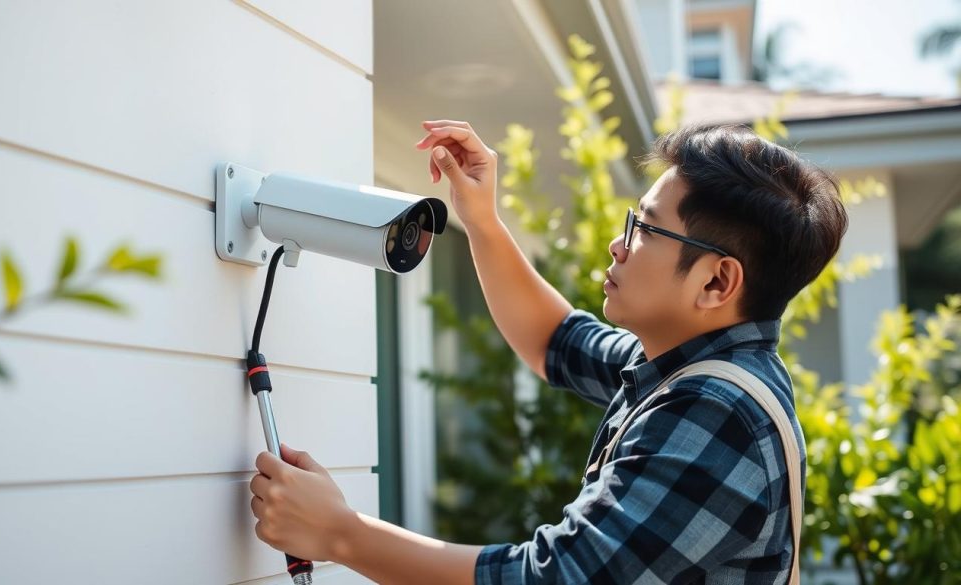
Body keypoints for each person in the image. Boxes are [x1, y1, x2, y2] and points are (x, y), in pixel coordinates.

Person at [249, 119, 848, 584]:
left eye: (645, 228)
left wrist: (340, 534)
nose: (619, 243)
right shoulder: (691, 368)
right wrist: (481, 220)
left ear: (716, 282)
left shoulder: (719, 412)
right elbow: (556, 341)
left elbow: (559, 578)